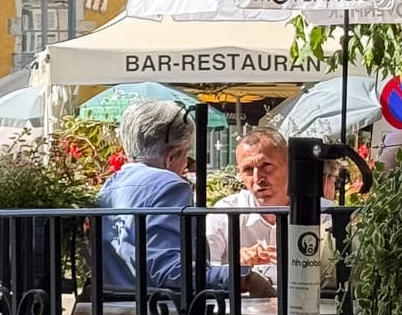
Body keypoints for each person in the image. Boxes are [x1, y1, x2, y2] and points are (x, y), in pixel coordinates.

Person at [100, 101, 240, 292]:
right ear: (171, 156)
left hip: (113, 310)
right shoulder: (169, 185)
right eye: (187, 155)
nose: (186, 165)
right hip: (159, 313)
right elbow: (170, 272)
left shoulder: (110, 186)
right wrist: (241, 277)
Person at [205, 125, 290, 280]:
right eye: (248, 170)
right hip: (240, 304)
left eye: (266, 166)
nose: (258, 178)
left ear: (290, 165)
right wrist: (235, 269)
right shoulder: (225, 212)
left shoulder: (321, 213)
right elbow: (205, 272)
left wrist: (299, 264)